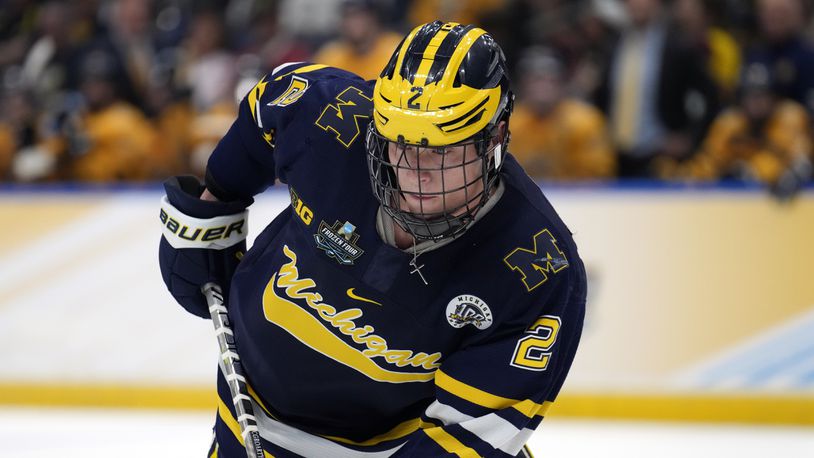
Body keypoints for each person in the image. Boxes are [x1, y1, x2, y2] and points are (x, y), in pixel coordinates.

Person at [159, 21, 586, 457]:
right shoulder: (334, 118)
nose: (416, 175)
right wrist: (214, 204)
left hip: (397, 444)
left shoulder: (536, 267)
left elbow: (471, 434)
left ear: (494, 136)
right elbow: (268, 105)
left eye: (442, 152)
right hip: (254, 413)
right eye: (401, 145)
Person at [593, 0, 720, 177]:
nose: (638, 4)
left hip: (659, 157)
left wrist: (691, 138)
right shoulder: (612, 44)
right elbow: (602, 96)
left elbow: (711, 96)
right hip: (613, 157)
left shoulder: (678, 45)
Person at [510, 47, 615, 180]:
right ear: (524, 85)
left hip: (576, 198)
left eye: (549, 80)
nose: (542, 88)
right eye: (536, 80)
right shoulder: (512, 122)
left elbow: (600, 173)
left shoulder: (586, 121)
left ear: (562, 84)